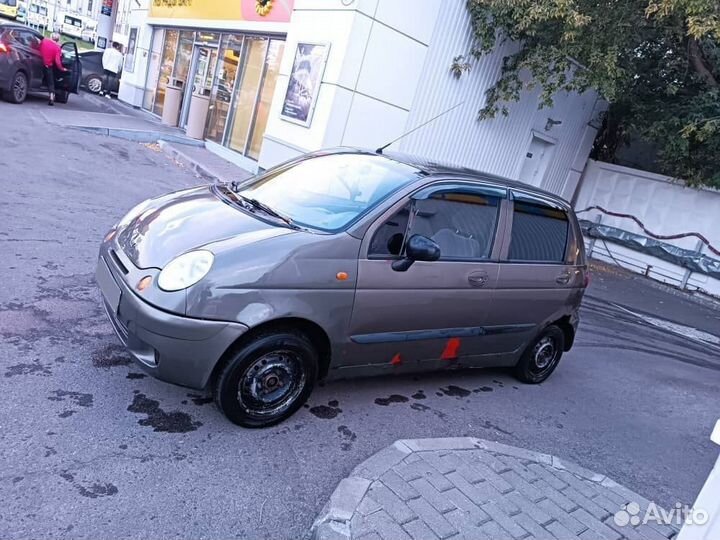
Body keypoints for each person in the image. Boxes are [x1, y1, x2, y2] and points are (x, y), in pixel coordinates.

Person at [38, 32, 67, 106]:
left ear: (51, 37)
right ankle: (51, 97)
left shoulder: (44, 41)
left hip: (38, 62)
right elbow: (57, 61)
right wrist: (62, 69)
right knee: (51, 82)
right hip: (48, 66)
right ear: (58, 39)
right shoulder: (57, 48)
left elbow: (39, 48)